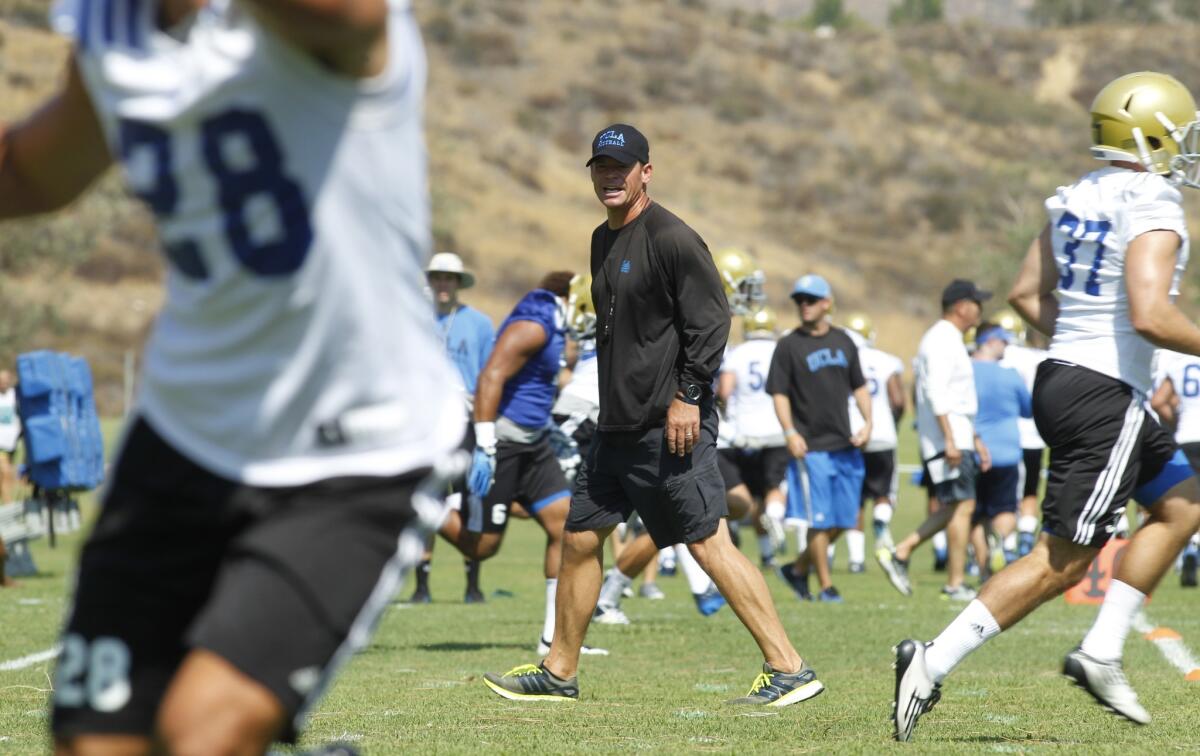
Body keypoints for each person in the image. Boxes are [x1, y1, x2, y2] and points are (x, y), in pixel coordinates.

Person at [0, 0, 467, 752]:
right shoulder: (112, 26)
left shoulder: (315, 27)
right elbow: (34, 169)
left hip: (358, 447)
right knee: (96, 740)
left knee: (202, 730)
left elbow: (355, 19)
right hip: (186, 435)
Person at [892, 71, 1200, 741]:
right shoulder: (1153, 198)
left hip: (1065, 372)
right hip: (1104, 388)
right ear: (1151, 136)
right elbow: (1150, 315)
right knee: (1065, 558)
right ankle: (932, 660)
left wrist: (1087, 326)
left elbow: (1027, 296)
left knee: (1183, 505)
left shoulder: (1074, 196)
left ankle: (1103, 649)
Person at [484, 123, 823, 706]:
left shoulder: (672, 237)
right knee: (580, 539)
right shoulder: (601, 239)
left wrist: (688, 396)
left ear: (646, 171)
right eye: (601, 167)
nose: (610, 177)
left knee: (708, 542)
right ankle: (560, 671)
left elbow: (711, 321)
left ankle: (789, 666)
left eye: (622, 166)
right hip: (615, 428)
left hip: (667, 425)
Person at [434, 272, 607, 655]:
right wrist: (485, 443)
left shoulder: (555, 327)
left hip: (535, 442)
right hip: (503, 441)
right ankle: (421, 508)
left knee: (565, 525)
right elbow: (491, 376)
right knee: (481, 549)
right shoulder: (532, 325)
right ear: (570, 299)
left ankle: (552, 638)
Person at [876, 280, 992, 602]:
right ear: (961, 306)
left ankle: (903, 553)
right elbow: (937, 392)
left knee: (958, 506)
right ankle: (950, 580)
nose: (980, 310)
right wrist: (952, 439)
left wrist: (974, 438)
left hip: (957, 433)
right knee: (962, 507)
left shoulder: (949, 339)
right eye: (976, 303)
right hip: (948, 437)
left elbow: (957, 395)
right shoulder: (941, 339)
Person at [770, 274, 872, 603]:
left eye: (810, 300)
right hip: (810, 446)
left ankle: (797, 569)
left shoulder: (844, 341)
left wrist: (869, 422)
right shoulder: (788, 345)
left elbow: (859, 386)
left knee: (845, 519)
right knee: (820, 519)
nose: (804, 306)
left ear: (827, 303)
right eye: (799, 300)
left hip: (845, 443)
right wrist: (789, 432)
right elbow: (779, 393)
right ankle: (826, 586)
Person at [409, 252, 494, 604]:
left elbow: (491, 374)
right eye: (437, 277)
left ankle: (472, 583)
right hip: (424, 421)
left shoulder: (479, 324)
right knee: (426, 496)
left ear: (459, 283)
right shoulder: (415, 321)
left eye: (449, 278)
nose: (443, 284)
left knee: (471, 497)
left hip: (467, 420)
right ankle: (422, 585)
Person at [719, 306, 791, 568]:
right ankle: (774, 519)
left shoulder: (738, 353)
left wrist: (727, 413)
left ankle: (743, 531)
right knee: (772, 489)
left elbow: (725, 391)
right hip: (777, 431)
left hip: (743, 433)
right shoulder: (781, 351)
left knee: (745, 496)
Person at [969, 325, 1032, 578]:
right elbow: (1028, 409)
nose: (1006, 347)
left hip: (973, 450)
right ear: (991, 342)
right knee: (1005, 509)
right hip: (1007, 450)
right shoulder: (1011, 375)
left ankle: (984, 568)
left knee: (975, 514)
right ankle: (1000, 540)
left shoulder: (965, 371)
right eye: (1004, 342)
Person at [843, 312, 905, 565]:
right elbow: (898, 401)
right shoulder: (886, 360)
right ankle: (881, 521)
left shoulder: (842, 359)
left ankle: (856, 559)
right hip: (882, 433)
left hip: (854, 433)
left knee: (856, 498)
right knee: (883, 493)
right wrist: (892, 423)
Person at [994, 309, 1049, 557]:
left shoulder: (997, 359)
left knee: (1004, 496)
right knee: (1029, 491)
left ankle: (1006, 544)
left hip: (1004, 436)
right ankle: (1026, 534)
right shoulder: (1036, 357)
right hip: (1034, 435)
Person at [1149, 348, 1200, 587]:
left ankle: (1189, 546)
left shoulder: (1180, 361)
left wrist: (1177, 422)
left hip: (1187, 437)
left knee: (1187, 501)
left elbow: (1159, 401)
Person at [0, 370, 21, 505]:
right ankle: (9, 504)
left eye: (5, 380)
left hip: (12, 442)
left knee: (8, 475)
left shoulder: (14, 396)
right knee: (5, 471)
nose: (3, 383)